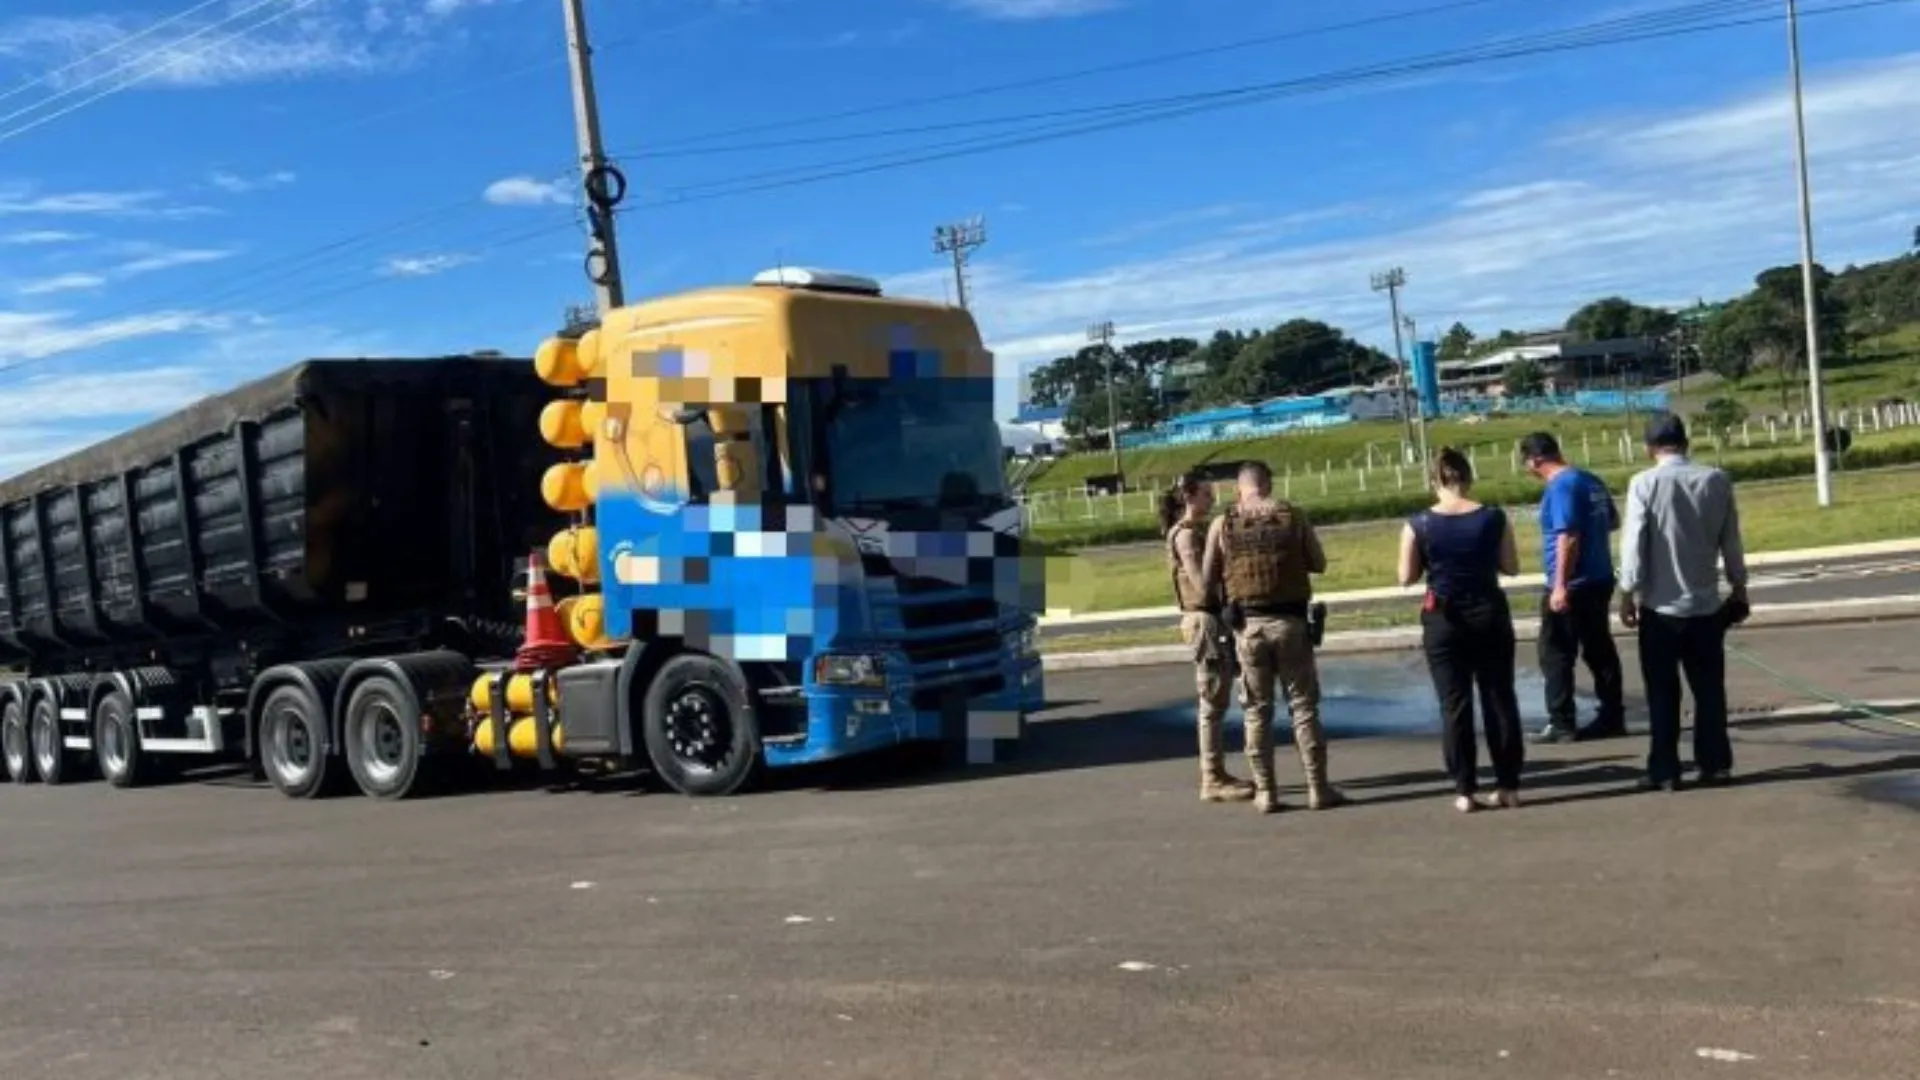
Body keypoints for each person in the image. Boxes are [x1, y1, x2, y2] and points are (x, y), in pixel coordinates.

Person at [1203, 461, 1347, 814]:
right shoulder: (1293, 515)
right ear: (1268, 484)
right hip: (1291, 624)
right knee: (1303, 708)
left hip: (1249, 629)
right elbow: (1319, 562)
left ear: (1240, 487)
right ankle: (1318, 787)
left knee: (1256, 711)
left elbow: (1207, 577)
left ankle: (1266, 792)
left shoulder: (1223, 523)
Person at [1618, 415, 1749, 792]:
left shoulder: (1643, 483)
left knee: (1662, 692)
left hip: (1660, 608)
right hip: (1706, 606)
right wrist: (1739, 587)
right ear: (1686, 442)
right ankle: (1715, 764)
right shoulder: (1716, 480)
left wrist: (1627, 592)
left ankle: (1665, 769)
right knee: (1709, 690)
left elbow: (1634, 546)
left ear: (1649, 447)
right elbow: (1732, 541)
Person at [1397, 447, 1526, 813]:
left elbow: (1405, 576)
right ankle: (1508, 785)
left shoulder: (1417, 523)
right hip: (1488, 611)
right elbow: (1511, 566)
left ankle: (1464, 788)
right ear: (1468, 478)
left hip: (1443, 616)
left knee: (1454, 703)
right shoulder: (1493, 517)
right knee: (1499, 698)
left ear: (1434, 481)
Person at [1519, 432, 1627, 744]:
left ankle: (1562, 721)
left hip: (1574, 582)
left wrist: (1559, 586)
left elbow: (1568, 537)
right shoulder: (1590, 479)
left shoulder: (1561, 486)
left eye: (1527, 464)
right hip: (1600, 576)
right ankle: (1612, 715)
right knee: (1599, 648)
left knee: (1555, 653)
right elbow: (1612, 521)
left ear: (1535, 460)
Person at [1158, 475, 1255, 805]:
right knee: (1212, 701)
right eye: (1205, 494)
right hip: (1203, 620)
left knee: (1220, 698)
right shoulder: (1185, 535)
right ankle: (1211, 778)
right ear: (1188, 496)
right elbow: (1201, 584)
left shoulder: (1195, 531)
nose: (1211, 500)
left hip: (1211, 619)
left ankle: (1218, 772)